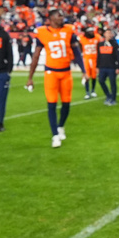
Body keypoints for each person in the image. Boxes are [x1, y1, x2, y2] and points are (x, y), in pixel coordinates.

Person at [27, 8, 78, 147]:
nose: (62, 18)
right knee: (52, 103)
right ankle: (55, 135)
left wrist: (84, 70)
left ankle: (61, 126)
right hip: (51, 72)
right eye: (59, 16)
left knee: (67, 103)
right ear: (50, 19)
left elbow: (76, 52)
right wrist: (30, 77)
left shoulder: (68, 30)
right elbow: (36, 56)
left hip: (66, 72)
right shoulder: (42, 32)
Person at [96, 27, 119, 106]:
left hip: (112, 67)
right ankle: (108, 95)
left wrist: (118, 67)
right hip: (102, 67)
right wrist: (97, 66)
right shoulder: (100, 44)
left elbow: (118, 56)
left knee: (112, 83)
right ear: (104, 34)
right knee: (101, 81)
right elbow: (98, 56)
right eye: (107, 33)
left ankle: (113, 99)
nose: (109, 35)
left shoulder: (115, 44)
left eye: (110, 33)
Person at [78, 25, 99, 99]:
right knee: (87, 76)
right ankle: (87, 92)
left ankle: (93, 90)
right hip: (86, 59)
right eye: (90, 31)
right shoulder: (82, 38)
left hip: (95, 59)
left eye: (92, 31)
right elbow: (79, 45)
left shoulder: (97, 37)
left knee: (94, 76)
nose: (91, 33)